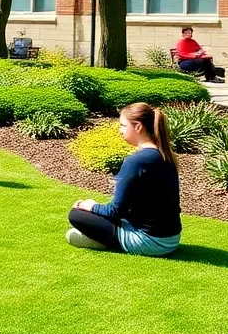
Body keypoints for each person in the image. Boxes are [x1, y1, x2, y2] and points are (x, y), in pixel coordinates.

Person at [65, 102, 181, 256]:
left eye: (123, 125)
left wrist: (90, 206)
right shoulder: (166, 157)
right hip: (171, 239)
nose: (120, 130)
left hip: (149, 241)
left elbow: (115, 211)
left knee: (76, 214)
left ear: (138, 127)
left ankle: (107, 242)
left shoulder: (136, 161)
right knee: (91, 215)